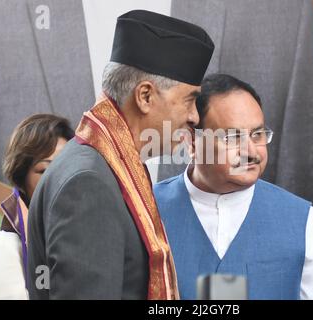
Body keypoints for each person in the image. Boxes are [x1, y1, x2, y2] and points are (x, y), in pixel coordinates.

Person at [26, 10, 214, 299]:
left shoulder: (101, 165)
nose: (194, 117)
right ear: (145, 96)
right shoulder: (89, 183)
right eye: (190, 100)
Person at [153, 74, 313, 300]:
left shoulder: (302, 220)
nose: (252, 152)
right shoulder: (147, 209)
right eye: (232, 137)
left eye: (257, 135)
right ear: (192, 141)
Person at [0, 114, 74, 299]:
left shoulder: (83, 235)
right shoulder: (4, 248)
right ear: (22, 178)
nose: (60, 180)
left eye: (68, 168)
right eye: (44, 171)